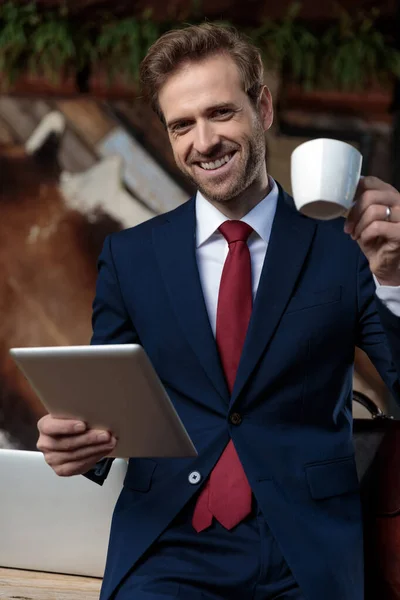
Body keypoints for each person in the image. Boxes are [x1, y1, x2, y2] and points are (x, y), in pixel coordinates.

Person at [37, 23, 400, 600]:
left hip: (306, 553)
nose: (203, 141)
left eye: (220, 113)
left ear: (263, 107)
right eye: (182, 124)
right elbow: (103, 414)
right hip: (169, 546)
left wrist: (392, 280)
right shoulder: (130, 258)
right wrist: (75, 444)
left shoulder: (344, 253)